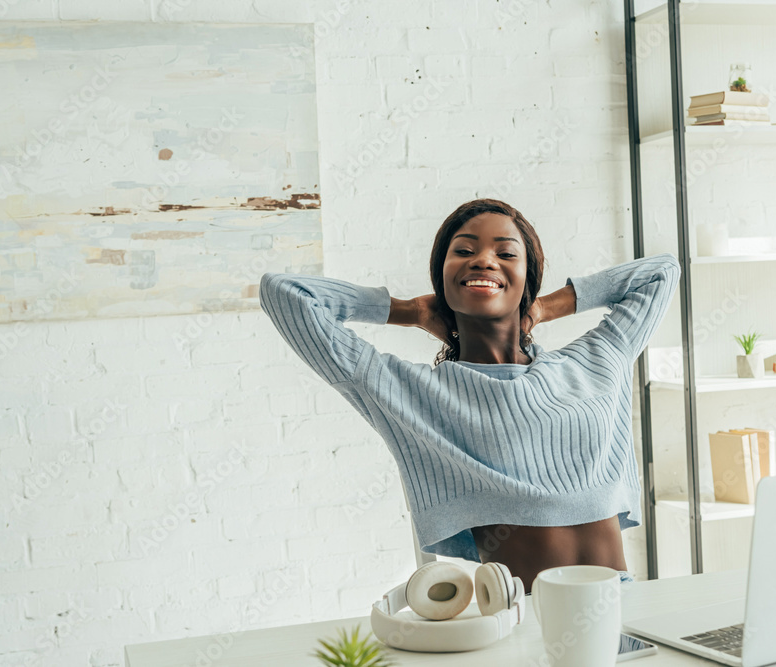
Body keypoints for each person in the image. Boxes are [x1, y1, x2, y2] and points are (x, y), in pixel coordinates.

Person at [259, 198, 681, 593]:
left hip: (625, 605)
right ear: (443, 277)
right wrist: (409, 311)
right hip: (527, 622)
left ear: (526, 277)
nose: (483, 259)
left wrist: (543, 307)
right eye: (463, 251)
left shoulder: (593, 363)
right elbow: (286, 293)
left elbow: (661, 272)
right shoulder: (414, 393)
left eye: (506, 253)